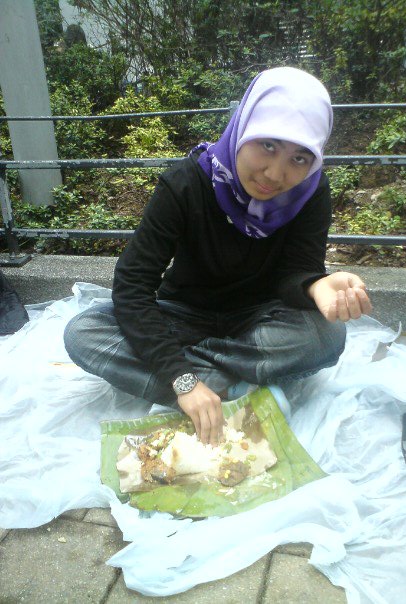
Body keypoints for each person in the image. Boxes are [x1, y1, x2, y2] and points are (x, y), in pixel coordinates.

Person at [64, 67, 372, 446]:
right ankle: (234, 386)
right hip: (184, 312)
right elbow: (132, 286)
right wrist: (182, 379)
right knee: (83, 333)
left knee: (327, 336)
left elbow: (295, 272)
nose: (275, 174)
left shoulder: (309, 193)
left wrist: (316, 286)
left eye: (299, 158)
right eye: (268, 145)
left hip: (258, 317)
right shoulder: (185, 184)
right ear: (244, 127)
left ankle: (200, 382)